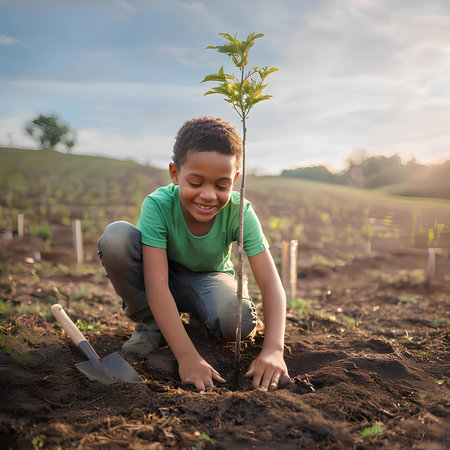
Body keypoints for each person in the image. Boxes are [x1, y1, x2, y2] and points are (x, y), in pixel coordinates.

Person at [98, 116, 290, 393]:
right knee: (116, 237)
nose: (209, 195)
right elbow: (157, 282)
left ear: (235, 179)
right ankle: (150, 324)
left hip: (209, 279)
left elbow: (271, 283)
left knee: (236, 320)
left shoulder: (240, 212)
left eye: (222, 185)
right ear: (175, 174)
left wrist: (273, 349)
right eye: (196, 182)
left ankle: (200, 325)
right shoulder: (158, 206)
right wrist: (187, 358)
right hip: (162, 278)